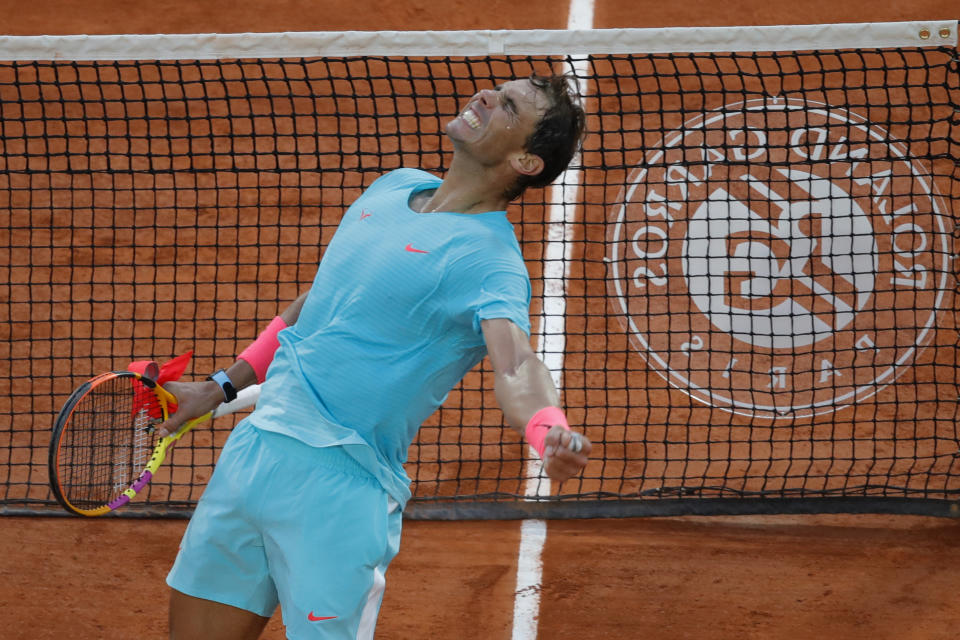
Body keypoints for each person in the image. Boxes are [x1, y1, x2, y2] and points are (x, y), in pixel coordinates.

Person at [158, 73, 591, 640]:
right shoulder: (392, 187)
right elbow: (315, 305)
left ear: (526, 163)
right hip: (252, 456)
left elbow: (515, 363)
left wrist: (547, 427)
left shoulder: (491, 262)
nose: (485, 96)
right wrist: (218, 388)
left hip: (340, 490)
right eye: (495, 89)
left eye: (508, 106)